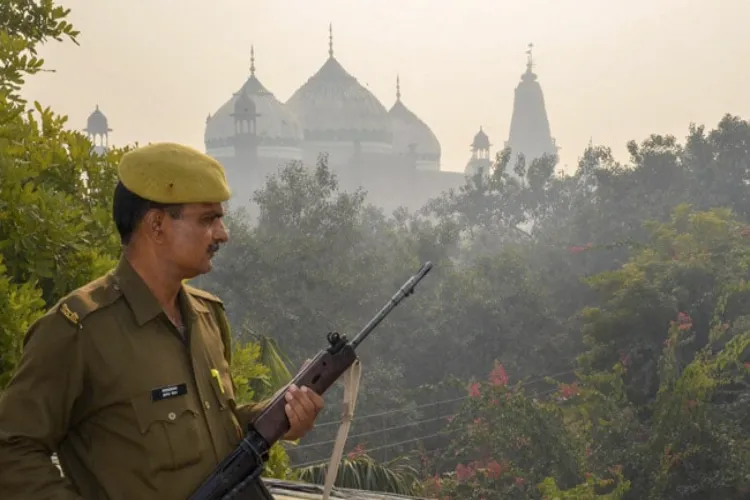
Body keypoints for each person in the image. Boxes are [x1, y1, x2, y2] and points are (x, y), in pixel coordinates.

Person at [0, 142, 325, 499]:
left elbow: (213, 430)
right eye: (207, 219)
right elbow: (11, 450)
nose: (222, 233)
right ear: (156, 225)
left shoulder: (207, 317)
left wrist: (281, 414)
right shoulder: (80, 329)